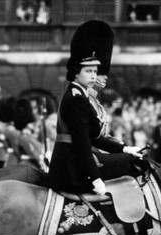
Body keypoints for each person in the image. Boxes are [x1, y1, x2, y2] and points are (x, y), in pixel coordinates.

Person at [48, 20, 146, 195]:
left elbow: (95, 137)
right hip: (70, 164)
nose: (94, 76)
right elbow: (81, 142)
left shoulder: (82, 97)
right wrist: (94, 177)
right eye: (89, 72)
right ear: (76, 73)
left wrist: (125, 148)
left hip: (76, 158)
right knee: (134, 164)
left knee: (133, 157)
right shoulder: (76, 99)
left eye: (95, 71)